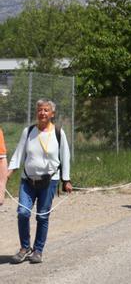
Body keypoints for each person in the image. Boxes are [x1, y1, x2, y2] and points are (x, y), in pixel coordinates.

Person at [7, 99, 72, 264]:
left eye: (46, 110)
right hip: (27, 181)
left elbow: (65, 156)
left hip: (49, 182)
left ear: (52, 114)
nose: (42, 113)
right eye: (40, 110)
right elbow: (18, 155)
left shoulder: (58, 132)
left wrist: (66, 180)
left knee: (42, 217)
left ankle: (38, 250)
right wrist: (6, 175)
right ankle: (25, 248)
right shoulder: (28, 131)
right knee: (23, 213)